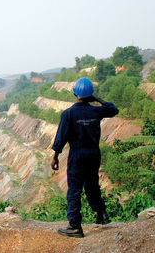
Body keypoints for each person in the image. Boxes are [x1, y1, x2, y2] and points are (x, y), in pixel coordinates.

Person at [51, 77, 119, 238]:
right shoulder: (96, 111)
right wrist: (96, 99)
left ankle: (74, 226)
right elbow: (113, 109)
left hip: (78, 155)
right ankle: (102, 214)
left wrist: (55, 156)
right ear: (90, 95)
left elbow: (61, 137)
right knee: (92, 185)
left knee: (74, 190)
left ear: (75, 93)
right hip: (93, 154)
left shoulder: (68, 114)